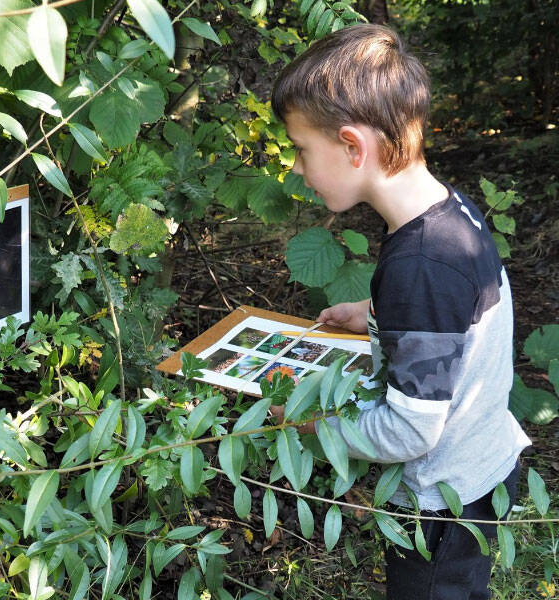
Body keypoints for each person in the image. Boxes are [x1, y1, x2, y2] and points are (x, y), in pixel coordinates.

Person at [270, 24, 531, 599]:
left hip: (446, 504)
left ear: (351, 146)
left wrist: (314, 429)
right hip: (482, 467)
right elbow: (459, 314)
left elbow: (410, 430)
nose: (296, 168)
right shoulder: (446, 213)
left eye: (300, 150)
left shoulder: (422, 263)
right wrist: (373, 314)